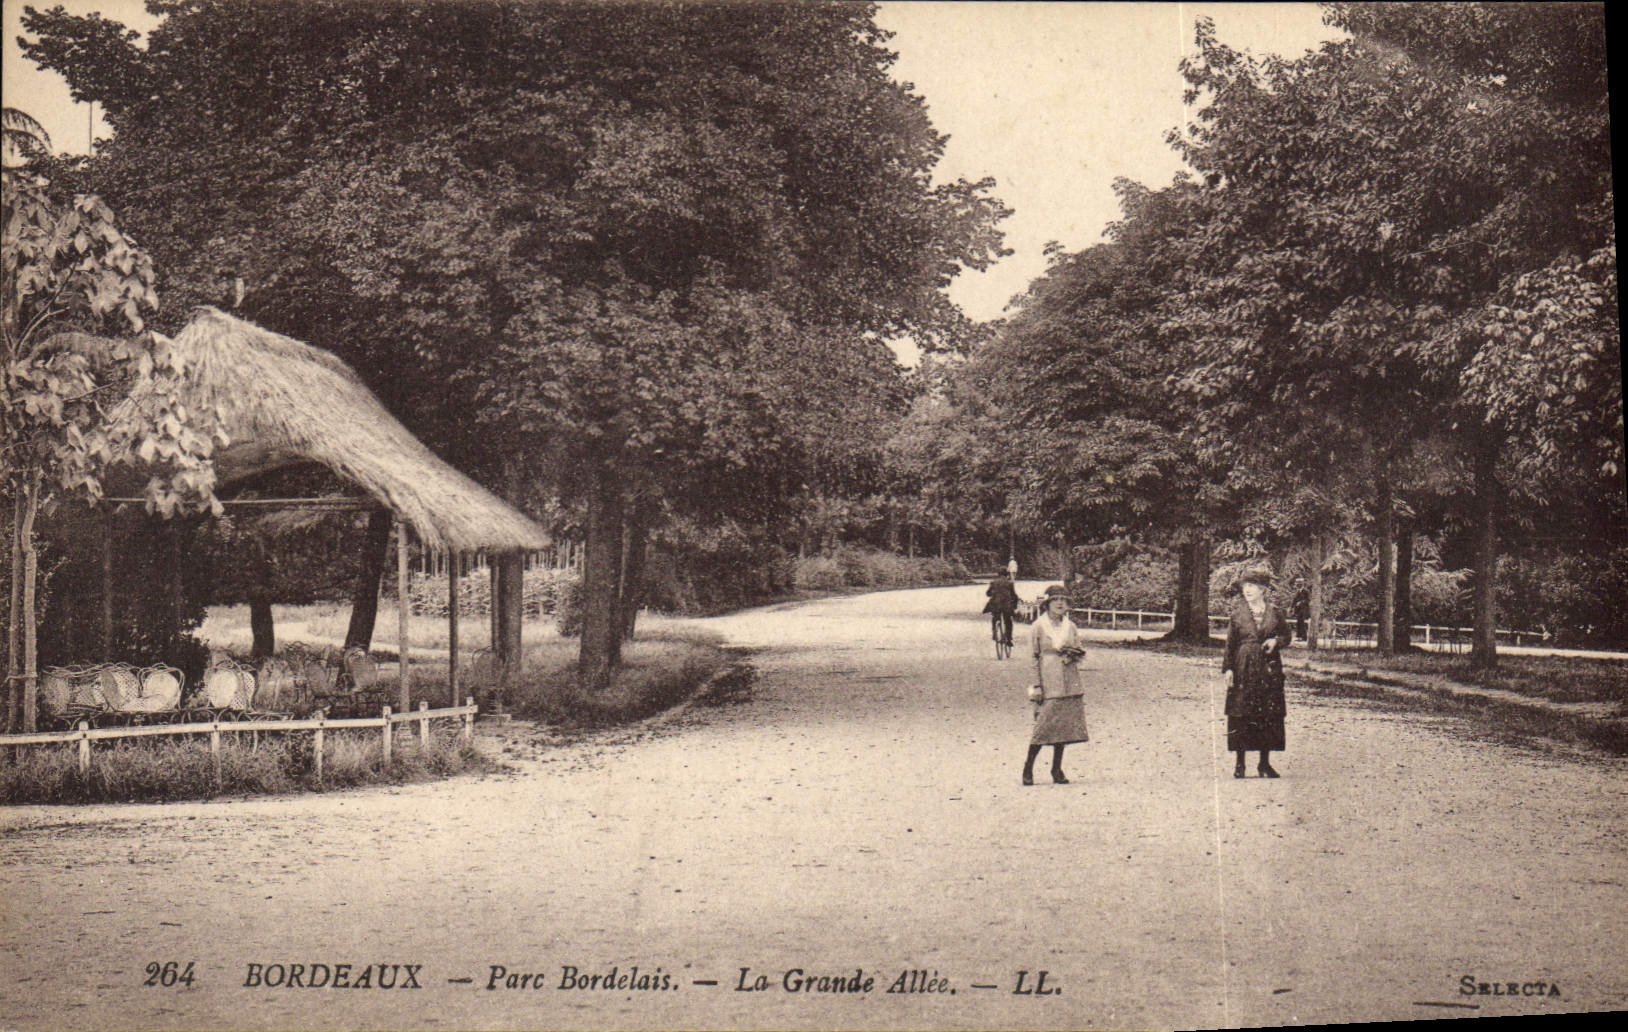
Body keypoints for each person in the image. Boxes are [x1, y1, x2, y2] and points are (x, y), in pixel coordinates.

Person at [1222, 568, 1292, 778]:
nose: (1247, 590)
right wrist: (1228, 669)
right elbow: (1230, 645)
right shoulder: (1237, 614)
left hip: (1268, 668)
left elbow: (1287, 636)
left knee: (1268, 714)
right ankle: (1240, 764)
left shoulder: (1275, 612)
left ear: (1263, 589)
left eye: (1252, 586)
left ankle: (1264, 764)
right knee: (1241, 713)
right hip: (1243, 667)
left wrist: (1275, 641)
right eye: (1245, 586)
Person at [1024, 584, 1088, 785]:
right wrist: (1037, 685)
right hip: (1048, 678)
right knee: (1044, 725)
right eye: (1055, 600)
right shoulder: (1038, 626)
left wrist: (1074, 654)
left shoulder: (1071, 626)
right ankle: (1028, 767)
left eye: (1063, 600)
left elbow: (1079, 650)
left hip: (1069, 678)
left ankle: (1056, 768)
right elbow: (1033, 657)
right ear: (1047, 603)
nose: (1060, 603)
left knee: (1064, 725)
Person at [984, 571, 1019, 648]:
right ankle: (1009, 639)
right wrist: (1015, 605)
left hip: (996, 605)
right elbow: (1013, 595)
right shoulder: (1010, 583)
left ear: (998, 574)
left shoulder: (993, 582)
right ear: (1007, 575)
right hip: (1006, 606)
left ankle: (994, 634)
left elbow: (988, 593)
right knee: (1008, 621)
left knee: (995, 618)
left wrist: (993, 594)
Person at [1291, 577, 1310, 643]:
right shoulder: (1297, 592)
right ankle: (1299, 637)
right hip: (1298, 610)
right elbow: (1294, 600)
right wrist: (1291, 607)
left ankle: (1304, 637)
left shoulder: (1306, 592)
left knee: (1302, 623)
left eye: (1298, 584)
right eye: (1297, 584)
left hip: (1304, 610)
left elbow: (1308, 600)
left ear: (1301, 584)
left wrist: (1301, 602)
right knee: (1298, 623)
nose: (1297, 586)